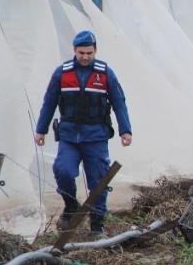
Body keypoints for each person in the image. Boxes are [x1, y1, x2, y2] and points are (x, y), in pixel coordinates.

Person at [35, 31, 132, 235]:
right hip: (69, 137)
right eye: (81, 52)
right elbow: (49, 102)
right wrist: (40, 130)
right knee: (63, 171)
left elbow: (119, 103)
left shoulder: (105, 74)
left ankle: (97, 222)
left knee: (98, 180)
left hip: (96, 137)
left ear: (95, 50)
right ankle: (71, 206)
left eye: (89, 52)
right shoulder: (62, 73)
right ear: (74, 51)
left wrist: (126, 130)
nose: (85, 57)